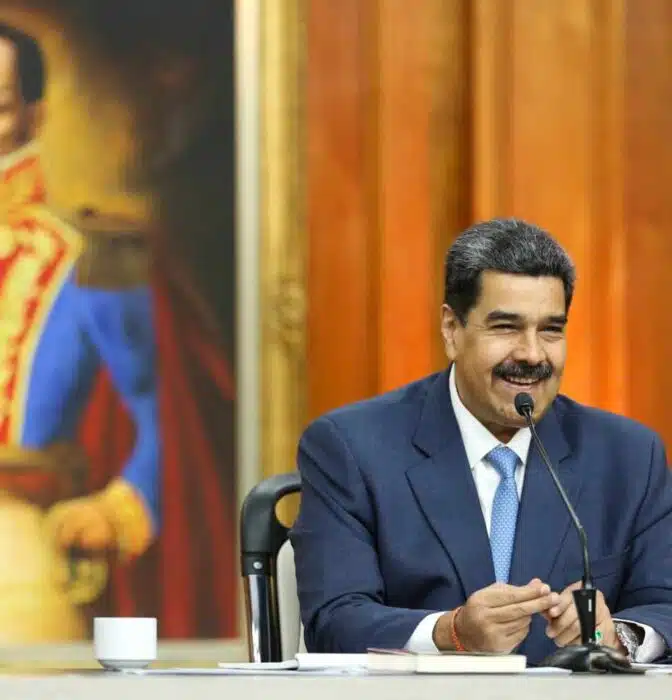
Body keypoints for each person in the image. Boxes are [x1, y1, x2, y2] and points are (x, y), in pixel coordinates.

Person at [291, 218, 672, 665]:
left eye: (551, 329)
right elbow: (334, 619)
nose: (532, 354)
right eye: (506, 327)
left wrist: (618, 636)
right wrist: (450, 632)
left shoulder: (629, 456)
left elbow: (664, 604)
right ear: (452, 330)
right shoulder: (351, 448)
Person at [0, 20, 237, 640]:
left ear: (33, 116)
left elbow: (166, 426)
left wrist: (114, 510)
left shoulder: (94, 263)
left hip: (18, 555)